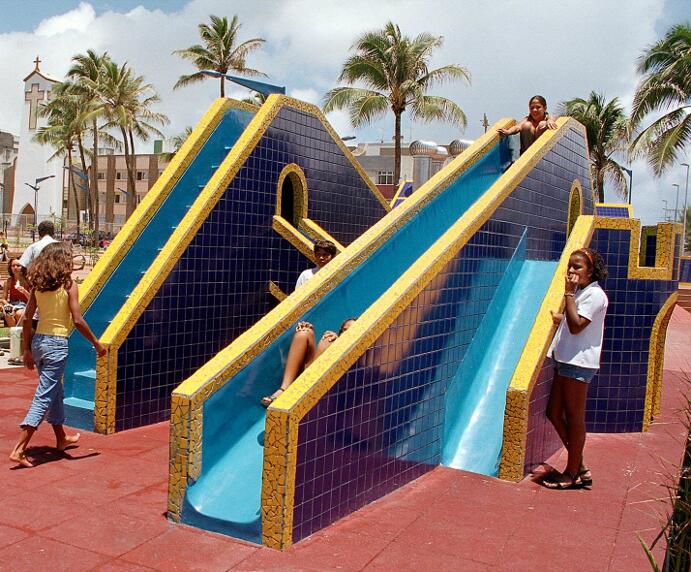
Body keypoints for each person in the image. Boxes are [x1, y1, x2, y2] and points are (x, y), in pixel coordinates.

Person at [8, 242, 106, 468]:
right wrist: (96, 343)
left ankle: (61, 437)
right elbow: (78, 320)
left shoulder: (38, 286)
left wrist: (27, 350)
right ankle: (20, 448)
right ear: (63, 262)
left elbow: (27, 320)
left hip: (40, 342)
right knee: (44, 395)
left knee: (55, 391)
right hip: (56, 344)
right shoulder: (69, 285)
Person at [544, 248, 608, 489]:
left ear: (590, 271)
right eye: (570, 266)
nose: (571, 271)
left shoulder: (594, 295)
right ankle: (579, 464)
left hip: (578, 363)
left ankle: (572, 473)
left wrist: (569, 294)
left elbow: (577, 325)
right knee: (553, 412)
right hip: (565, 361)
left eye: (577, 267)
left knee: (574, 418)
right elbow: (574, 321)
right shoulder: (584, 293)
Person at [261, 318, 356, 407]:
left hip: (326, 392)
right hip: (306, 378)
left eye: (351, 331)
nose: (346, 334)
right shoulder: (333, 338)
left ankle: (301, 392)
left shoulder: (362, 354)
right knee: (304, 333)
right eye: (344, 330)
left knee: (328, 342)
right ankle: (283, 389)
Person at [1, 257, 30, 327]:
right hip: (11, 304)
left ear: (22, 267)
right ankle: (15, 334)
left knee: (19, 314)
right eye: (13, 266)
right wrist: (7, 304)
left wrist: (24, 291)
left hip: (24, 304)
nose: (15, 268)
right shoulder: (9, 281)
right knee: (7, 313)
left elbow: (31, 298)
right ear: (10, 268)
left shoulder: (27, 280)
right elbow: (3, 299)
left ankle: (16, 335)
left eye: (18, 265)